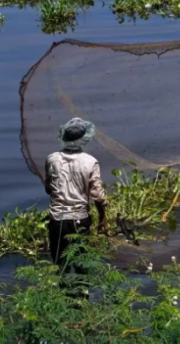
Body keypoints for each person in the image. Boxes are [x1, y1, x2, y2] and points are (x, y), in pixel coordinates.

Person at [44, 117, 108, 279]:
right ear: (84, 140)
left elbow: (48, 189)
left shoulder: (52, 159)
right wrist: (103, 219)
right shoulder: (91, 162)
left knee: (60, 266)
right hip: (79, 220)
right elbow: (98, 198)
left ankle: (62, 297)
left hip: (57, 220)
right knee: (81, 265)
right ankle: (81, 299)